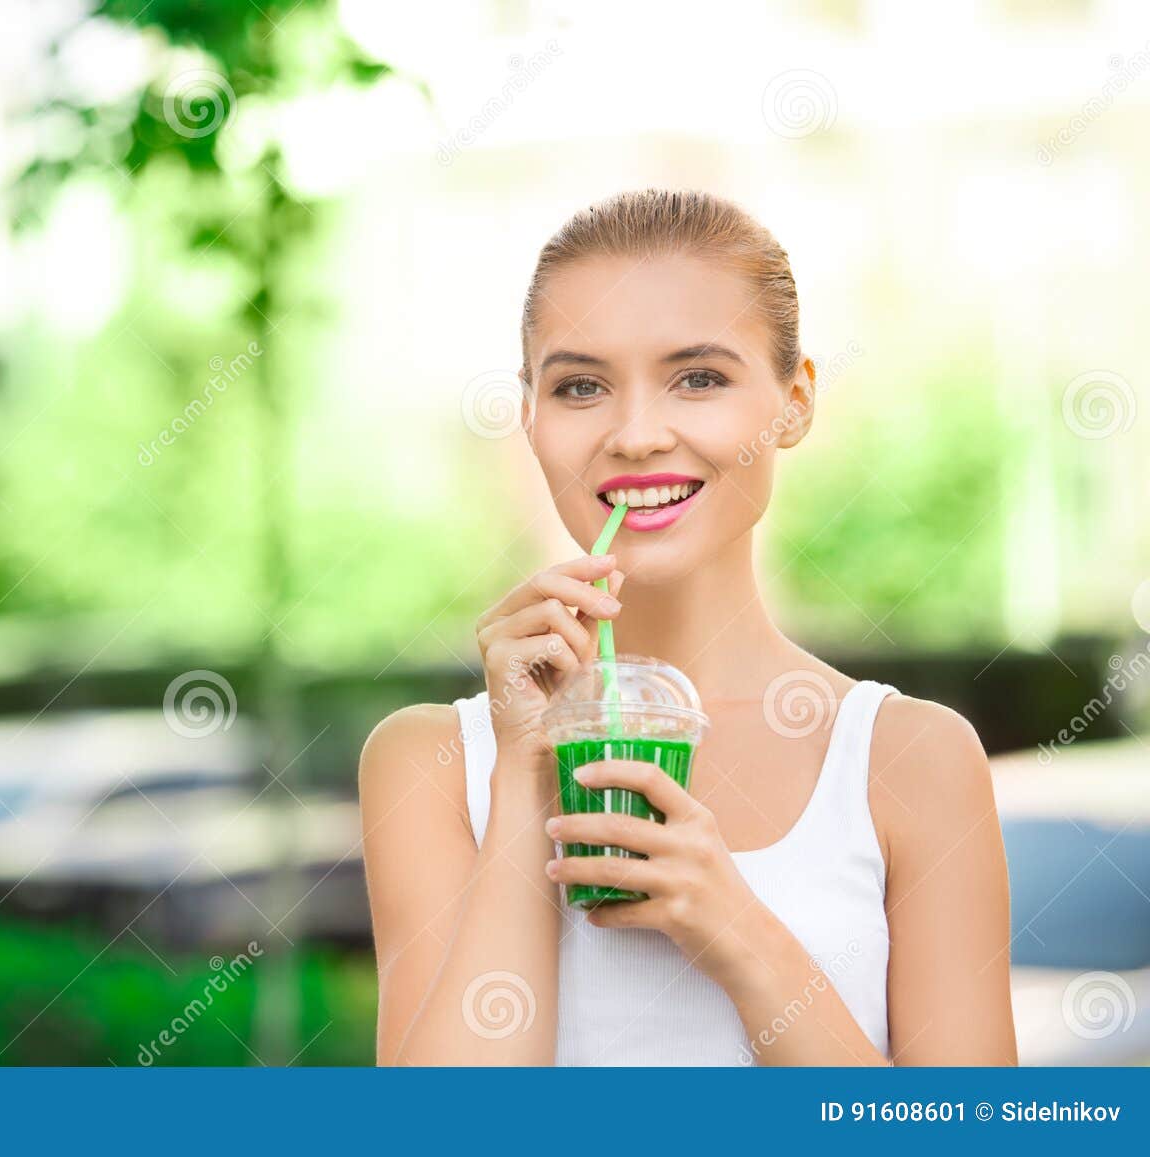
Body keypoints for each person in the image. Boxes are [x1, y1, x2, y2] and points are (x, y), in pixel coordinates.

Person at [358, 189, 1018, 1066]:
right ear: (530, 414)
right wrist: (524, 771)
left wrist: (735, 927)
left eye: (698, 377)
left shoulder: (912, 760)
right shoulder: (431, 764)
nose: (635, 434)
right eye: (580, 386)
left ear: (793, 400)